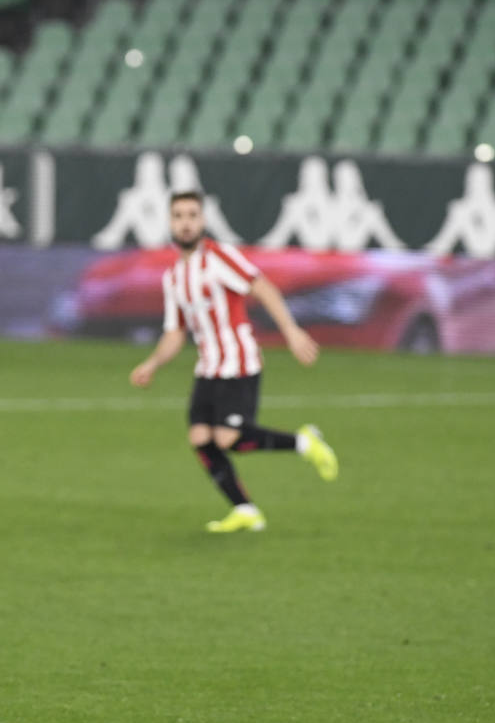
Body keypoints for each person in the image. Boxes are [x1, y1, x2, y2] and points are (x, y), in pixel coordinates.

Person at [128, 190, 338, 532]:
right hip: (208, 367)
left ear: (203, 221)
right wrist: (152, 364)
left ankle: (305, 443)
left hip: (239, 361)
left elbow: (262, 286)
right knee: (200, 438)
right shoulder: (174, 278)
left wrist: (291, 331)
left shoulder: (219, 258)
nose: (185, 223)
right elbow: (175, 333)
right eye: (179, 216)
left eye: (192, 215)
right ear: (170, 222)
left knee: (227, 438)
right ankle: (245, 509)